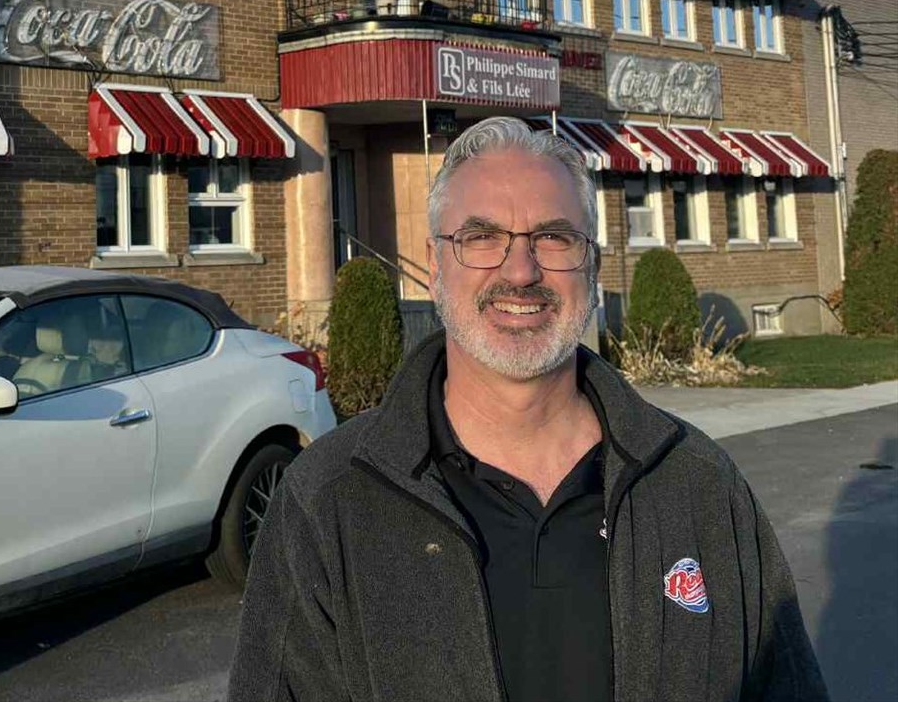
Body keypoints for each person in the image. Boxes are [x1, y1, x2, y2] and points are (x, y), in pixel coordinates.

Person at [228, 117, 828, 702]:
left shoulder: (696, 484)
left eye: (553, 236)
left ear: (590, 266)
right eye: (482, 237)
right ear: (436, 266)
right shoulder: (328, 501)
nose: (521, 270)